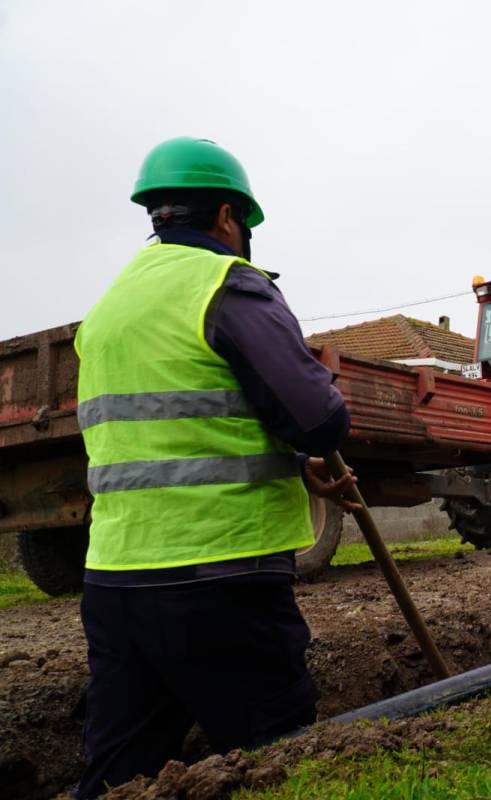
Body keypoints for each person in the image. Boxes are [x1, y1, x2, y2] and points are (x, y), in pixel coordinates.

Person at [73, 137, 360, 798]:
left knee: (120, 776)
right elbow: (319, 420)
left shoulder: (108, 309)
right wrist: (314, 421)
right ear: (228, 217)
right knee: (274, 762)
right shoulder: (226, 284)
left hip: (115, 584)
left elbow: (173, 431)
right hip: (221, 578)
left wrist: (294, 464)